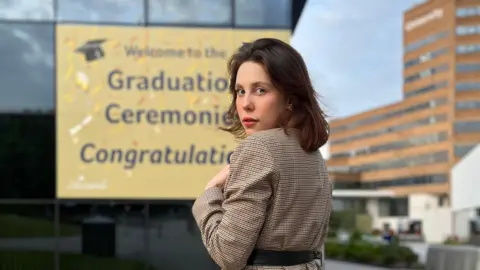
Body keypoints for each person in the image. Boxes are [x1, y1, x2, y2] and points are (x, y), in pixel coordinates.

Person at [192, 38, 332, 270]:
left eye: (260, 90)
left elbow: (228, 255)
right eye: (240, 91)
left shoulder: (258, 148)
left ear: (289, 98)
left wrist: (209, 194)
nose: (246, 103)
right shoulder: (312, 154)